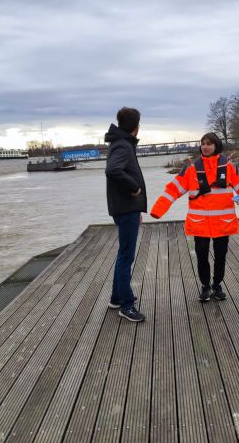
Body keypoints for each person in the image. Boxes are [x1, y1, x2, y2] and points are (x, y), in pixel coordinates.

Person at [151, 132, 239, 301]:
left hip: (222, 223)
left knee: (221, 257)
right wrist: (157, 210)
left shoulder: (230, 167)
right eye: (203, 143)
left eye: (209, 143)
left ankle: (217, 285)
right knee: (202, 257)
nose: (205, 146)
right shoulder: (190, 168)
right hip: (200, 223)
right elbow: (173, 190)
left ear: (216, 145)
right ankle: (205, 287)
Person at [105, 107, 147, 322]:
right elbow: (113, 170)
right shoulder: (123, 145)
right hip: (126, 207)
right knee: (126, 257)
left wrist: (137, 207)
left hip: (126, 208)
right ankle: (126, 305)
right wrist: (134, 189)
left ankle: (115, 298)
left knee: (123, 254)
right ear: (136, 127)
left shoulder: (119, 142)